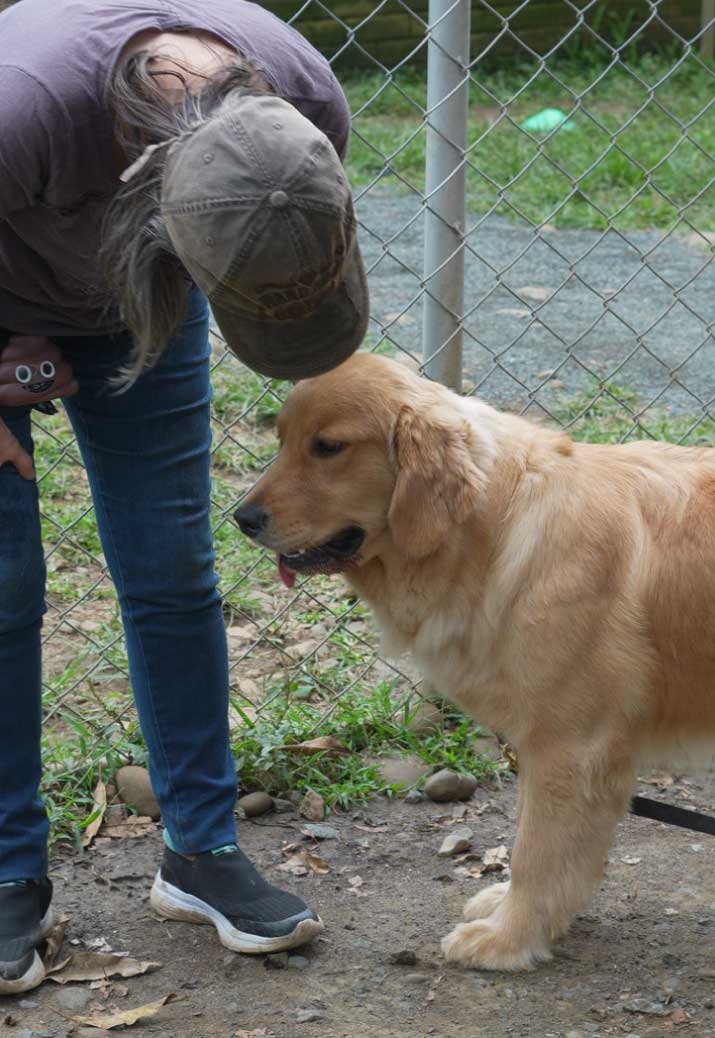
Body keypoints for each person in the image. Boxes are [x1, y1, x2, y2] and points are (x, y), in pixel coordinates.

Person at [0, 0, 368, 994]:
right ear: (145, 180)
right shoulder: (22, 107)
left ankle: (202, 851)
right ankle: (7, 870)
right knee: (5, 584)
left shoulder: (306, 105)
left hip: (147, 307)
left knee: (172, 568)